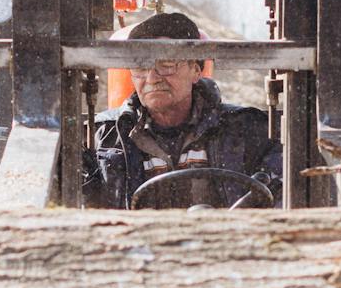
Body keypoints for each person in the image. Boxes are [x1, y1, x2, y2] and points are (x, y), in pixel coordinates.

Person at [81, 12, 282, 209]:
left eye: (167, 64)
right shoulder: (102, 137)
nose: (151, 78)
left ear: (196, 70)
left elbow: (280, 194)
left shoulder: (247, 130)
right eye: (141, 68)